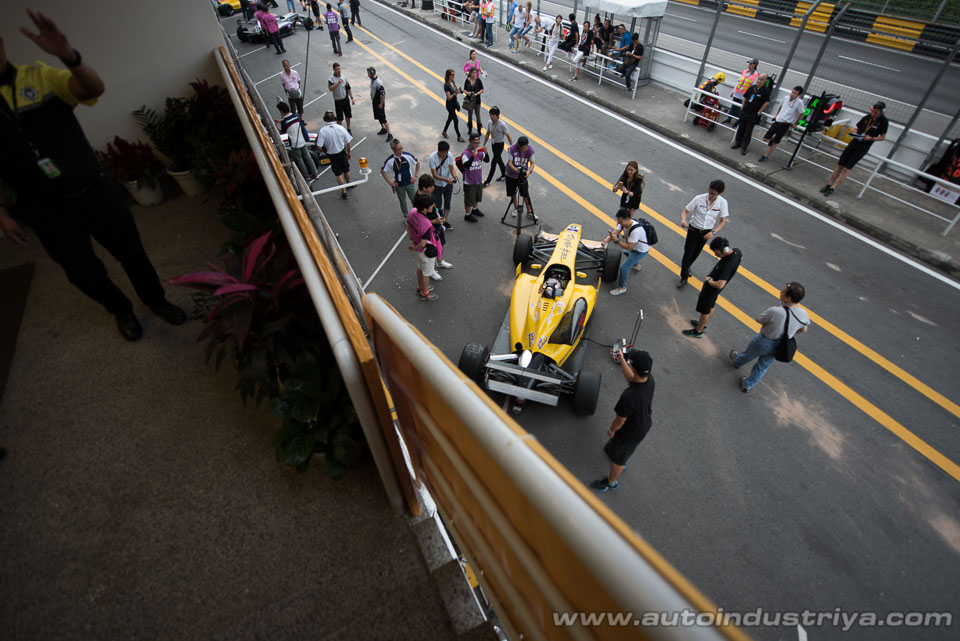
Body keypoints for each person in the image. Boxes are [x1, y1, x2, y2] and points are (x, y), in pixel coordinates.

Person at [0, 9, 186, 342]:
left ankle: (156, 301)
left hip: (94, 192)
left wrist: (69, 57)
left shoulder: (36, 76)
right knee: (83, 273)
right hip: (44, 212)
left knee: (132, 253)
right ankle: (121, 310)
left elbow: (92, 88)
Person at [590, 349, 654, 492]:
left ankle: (611, 482)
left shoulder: (629, 397)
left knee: (617, 458)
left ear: (633, 368)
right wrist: (622, 360)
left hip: (631, 431)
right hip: (643, 423)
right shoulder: (649, 381)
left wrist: (612, 431)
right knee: (620, 449)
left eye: (631, 364)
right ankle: (619, 455)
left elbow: (620, 421)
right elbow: (632, 379)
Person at [730, 282, 811, 392]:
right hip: (781, 345)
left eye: (782, 292)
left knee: (750, 353)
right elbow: (803, 329)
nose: (780, 293)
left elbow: (759, 319)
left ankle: (737, 362)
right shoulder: (803, 314)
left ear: (788, 298)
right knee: (763, 366)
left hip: (765, 340)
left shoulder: (775, 311)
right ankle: (748, 384)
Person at [820, 101, 888, 196]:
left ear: (882, 112)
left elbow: (882, 137)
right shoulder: (867, 117)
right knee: (840, 165)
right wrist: (854, 131)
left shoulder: (883, 122)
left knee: (847, 169)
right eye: (873, 111)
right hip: (854, 143)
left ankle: (833, 187)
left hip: (863, 147)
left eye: (876, 112)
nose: (873, 114)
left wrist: (870, 138)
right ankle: (829, 184)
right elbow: (857, 128)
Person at [681, 237, 742, 338]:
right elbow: (741, 257)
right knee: (710, 307)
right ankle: (703, 324)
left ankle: (698, 331)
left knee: (705, 310)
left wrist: (709, 281)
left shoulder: (728, 264)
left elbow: (720, 284)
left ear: (723, 250)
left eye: (716, 251)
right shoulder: (736, 253)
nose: (715, 254)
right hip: (714, 290)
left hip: (712, 289)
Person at [677, 179, 729, 289]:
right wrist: (683, 220)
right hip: (693, 229)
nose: (710, 195)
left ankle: (687, 267)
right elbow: (685, 211)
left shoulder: (722, 203)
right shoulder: (699, 198)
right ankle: (684, 277)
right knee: (688, 253)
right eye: (710, 192)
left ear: (719, 194)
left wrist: (713, 232)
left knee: (696, 252)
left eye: (714, 194)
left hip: (706, 232)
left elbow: (723, 221)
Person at [603, 208, 649, 296]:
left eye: (620, 221)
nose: (619, 224)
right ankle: (636, 265)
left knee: (624, 267)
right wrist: (605, 240)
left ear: (627, 219)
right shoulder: (623, 224)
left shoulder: (635, 231)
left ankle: (622, 288)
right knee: (626, 252)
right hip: (634, 248)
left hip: (640, 251)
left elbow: (629, 247)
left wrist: (617, 241)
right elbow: (614, 233)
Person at [415, 174, 453, 278]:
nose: (434, 188)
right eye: (431, 186)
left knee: (441, 244)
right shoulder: (418, 201)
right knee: (431, 251)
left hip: (437, 225)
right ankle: (431, 271)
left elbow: (435, 208)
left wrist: (439, 218)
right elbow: (420, 222)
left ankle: (439, 261)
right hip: (429, 229)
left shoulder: (429, 193)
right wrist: (434, 221)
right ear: (424, 188)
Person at [407, 194, 442, 301]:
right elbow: (423, 243)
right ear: (425, 208)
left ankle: (420, 287)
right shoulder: (426, 224)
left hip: (419, 250)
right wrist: (415, 247)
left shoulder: (412, 212)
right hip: (426, 250)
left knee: (420, 268)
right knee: (427, 273)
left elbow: (407, 225)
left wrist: (412, 241)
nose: (433, 207)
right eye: (431, 205)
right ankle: (425, 293)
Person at [759, 85, 805, 162]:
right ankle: (772, 138)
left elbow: (801, 112)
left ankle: (766, 155)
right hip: (777, 121)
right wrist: (776, 115)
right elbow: (780, 107)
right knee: (765, 138)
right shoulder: (786, 98)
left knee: (776, 142)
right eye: (792, 92)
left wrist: (796, 123)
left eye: (795, 93)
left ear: (798, 95)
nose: (792, 94)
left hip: (785, 124)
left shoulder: (799, 102)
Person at [277, 101, 319, 181]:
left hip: (294, 144)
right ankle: (315, 173)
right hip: (302, 141)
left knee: (299, 159)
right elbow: (293, 121)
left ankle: (306, 175)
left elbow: (282, 132)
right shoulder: (296, 116)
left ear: (282, 111)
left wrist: (277, 125)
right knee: (308, 156)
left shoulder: (284, 122)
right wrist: (280, 121)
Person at [315, 110, 353, 199]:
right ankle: (349, 184)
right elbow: (348, 141)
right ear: (334, 118)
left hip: (332, 155)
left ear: (325, 119)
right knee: (346, 169)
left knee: (338, 173)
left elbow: (319, 146)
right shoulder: (341, 128)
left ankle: (343, 191)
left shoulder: (323, 131)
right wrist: (349, 152)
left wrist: (325, 150)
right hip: (342, 152)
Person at [729, 73, 769, 156]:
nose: (759, 81)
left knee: (748, 131)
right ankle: (738, 143)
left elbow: (766, 102)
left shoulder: (765, 91)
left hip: (753, 114)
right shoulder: (752, 87)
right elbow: (745, 97)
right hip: (745, 111)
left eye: (761, 79)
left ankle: (744, 146)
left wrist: (759, 112)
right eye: (759, 79)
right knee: (741, 128)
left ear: (765, 81)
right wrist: (743, 107)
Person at [381, 138, 419, 220]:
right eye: (398, 149)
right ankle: (406, 217)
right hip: (399, 185)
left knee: (415, 201)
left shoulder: (407, 155)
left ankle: (418, 216)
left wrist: (415, 176)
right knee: (403, 202)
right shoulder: (390, 160)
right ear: (393, 149)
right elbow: (383, 171)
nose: (401, 151)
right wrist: (390, 183)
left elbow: (417, 163)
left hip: (409, 183)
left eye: (401, 148)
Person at [430, 140, 459, 230]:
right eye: (443, 153)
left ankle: (445, 220)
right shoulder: (432, 158)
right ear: (439, 151)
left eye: (446, 153)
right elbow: (434, 175)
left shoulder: (449, 155)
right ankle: (438, 219)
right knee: (437, 205)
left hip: (448, 184)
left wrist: (454, 175)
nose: (444, 155)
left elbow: (451, 168)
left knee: (447, 202)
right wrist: (445, 179)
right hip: (437, 185)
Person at [505, 136, 536, 220]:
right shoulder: (512, 149)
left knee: (525, 194)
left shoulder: (530, 149)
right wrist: (516, 170)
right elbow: (510, 163)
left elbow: (533, 163)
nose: (525, 149)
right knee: (513, 193)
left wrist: (529, 171)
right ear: (519, 145)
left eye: (526, 146)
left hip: (522, 175)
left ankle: (530, 212)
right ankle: (516, 208)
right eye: (523, 147)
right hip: (511, 174)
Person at [460, 133, 488, 222]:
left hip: (478, 179)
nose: (476, 145)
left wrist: (486, 153)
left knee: (476, 196)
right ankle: (467, 214)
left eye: (478, 143)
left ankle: (475, 209)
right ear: (469, 142)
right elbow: (466, 166)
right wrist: (472, 157)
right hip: (469, 181)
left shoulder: (480, 151)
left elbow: (487, 160)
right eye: (474, 143)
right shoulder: (465, 153)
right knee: (469, 199)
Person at [481, 106, 512, 186]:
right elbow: (487, 133)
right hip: (493, 144)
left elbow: (508, 136)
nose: (491, 116)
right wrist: (484, 144)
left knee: (493, 163)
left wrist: (512, 147)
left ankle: (487, 181)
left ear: (497, 115)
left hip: (500, 145)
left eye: (493, 115)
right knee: (499, 160)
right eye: (490, 114)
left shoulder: (502, 125)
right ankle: (504, 174)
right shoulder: (489, 122)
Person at [723, 58, 759, 125]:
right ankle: (729, 119)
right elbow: (739, 81)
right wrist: (733, 91)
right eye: (749, 63)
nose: (749, 65)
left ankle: (737, 122)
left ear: (755, 65)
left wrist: (750, 97)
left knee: (741, 109)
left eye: (751, 64)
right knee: (733, 107)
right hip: (737, 92)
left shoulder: (756, 75)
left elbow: (753, 87)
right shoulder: (745, 71)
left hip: (744, 96)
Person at [367, 66, 392, 142]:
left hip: (379, 103)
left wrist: (381, 104)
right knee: (378, 117)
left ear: (371, 74)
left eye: (368, 73)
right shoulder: (372, 80)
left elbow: (383, 94)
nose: (367, 75)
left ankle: (389, 134)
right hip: (375, 102)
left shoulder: (378, 83)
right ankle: (383, 128)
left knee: (383, 119)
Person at [328, 62, 355, 132]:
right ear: (334, 69)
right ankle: (340, 131)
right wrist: (337, 83)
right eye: (337, 69)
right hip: (338, 101)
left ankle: (349, 129)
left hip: (345, 99)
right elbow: (330, 89)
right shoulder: (331, 79)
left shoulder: (343, 77)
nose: (339, 70)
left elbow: (348, 88)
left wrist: (352, 98)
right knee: (339, 118)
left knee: (348, 115)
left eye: (339, 69)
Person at [441, 69, 464, 142]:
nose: (454, 76)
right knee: (455, 120)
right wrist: (455, 93)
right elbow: (449, 97)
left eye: (454, 74)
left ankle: (444, 131)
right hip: (450, 105)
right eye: (452, 75)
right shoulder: (447, 85)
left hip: (454, 104)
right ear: (449, 76)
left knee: (449, 119)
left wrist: (458, 90)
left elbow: (455, 89)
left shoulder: (453, 82)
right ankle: (459, 136)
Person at [462, 68, 484, 137]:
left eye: (475, 73)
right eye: (473, 73)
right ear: (470, 73)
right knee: (470, 115)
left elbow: (482, 90)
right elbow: (464, 89)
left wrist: (476, 94)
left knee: (478, 115)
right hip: (470, 100)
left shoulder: (478, 80)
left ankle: (479, 129)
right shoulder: (467, 81)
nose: (474, 74)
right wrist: (468, 93)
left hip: (477, 100)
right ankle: (470, 128)